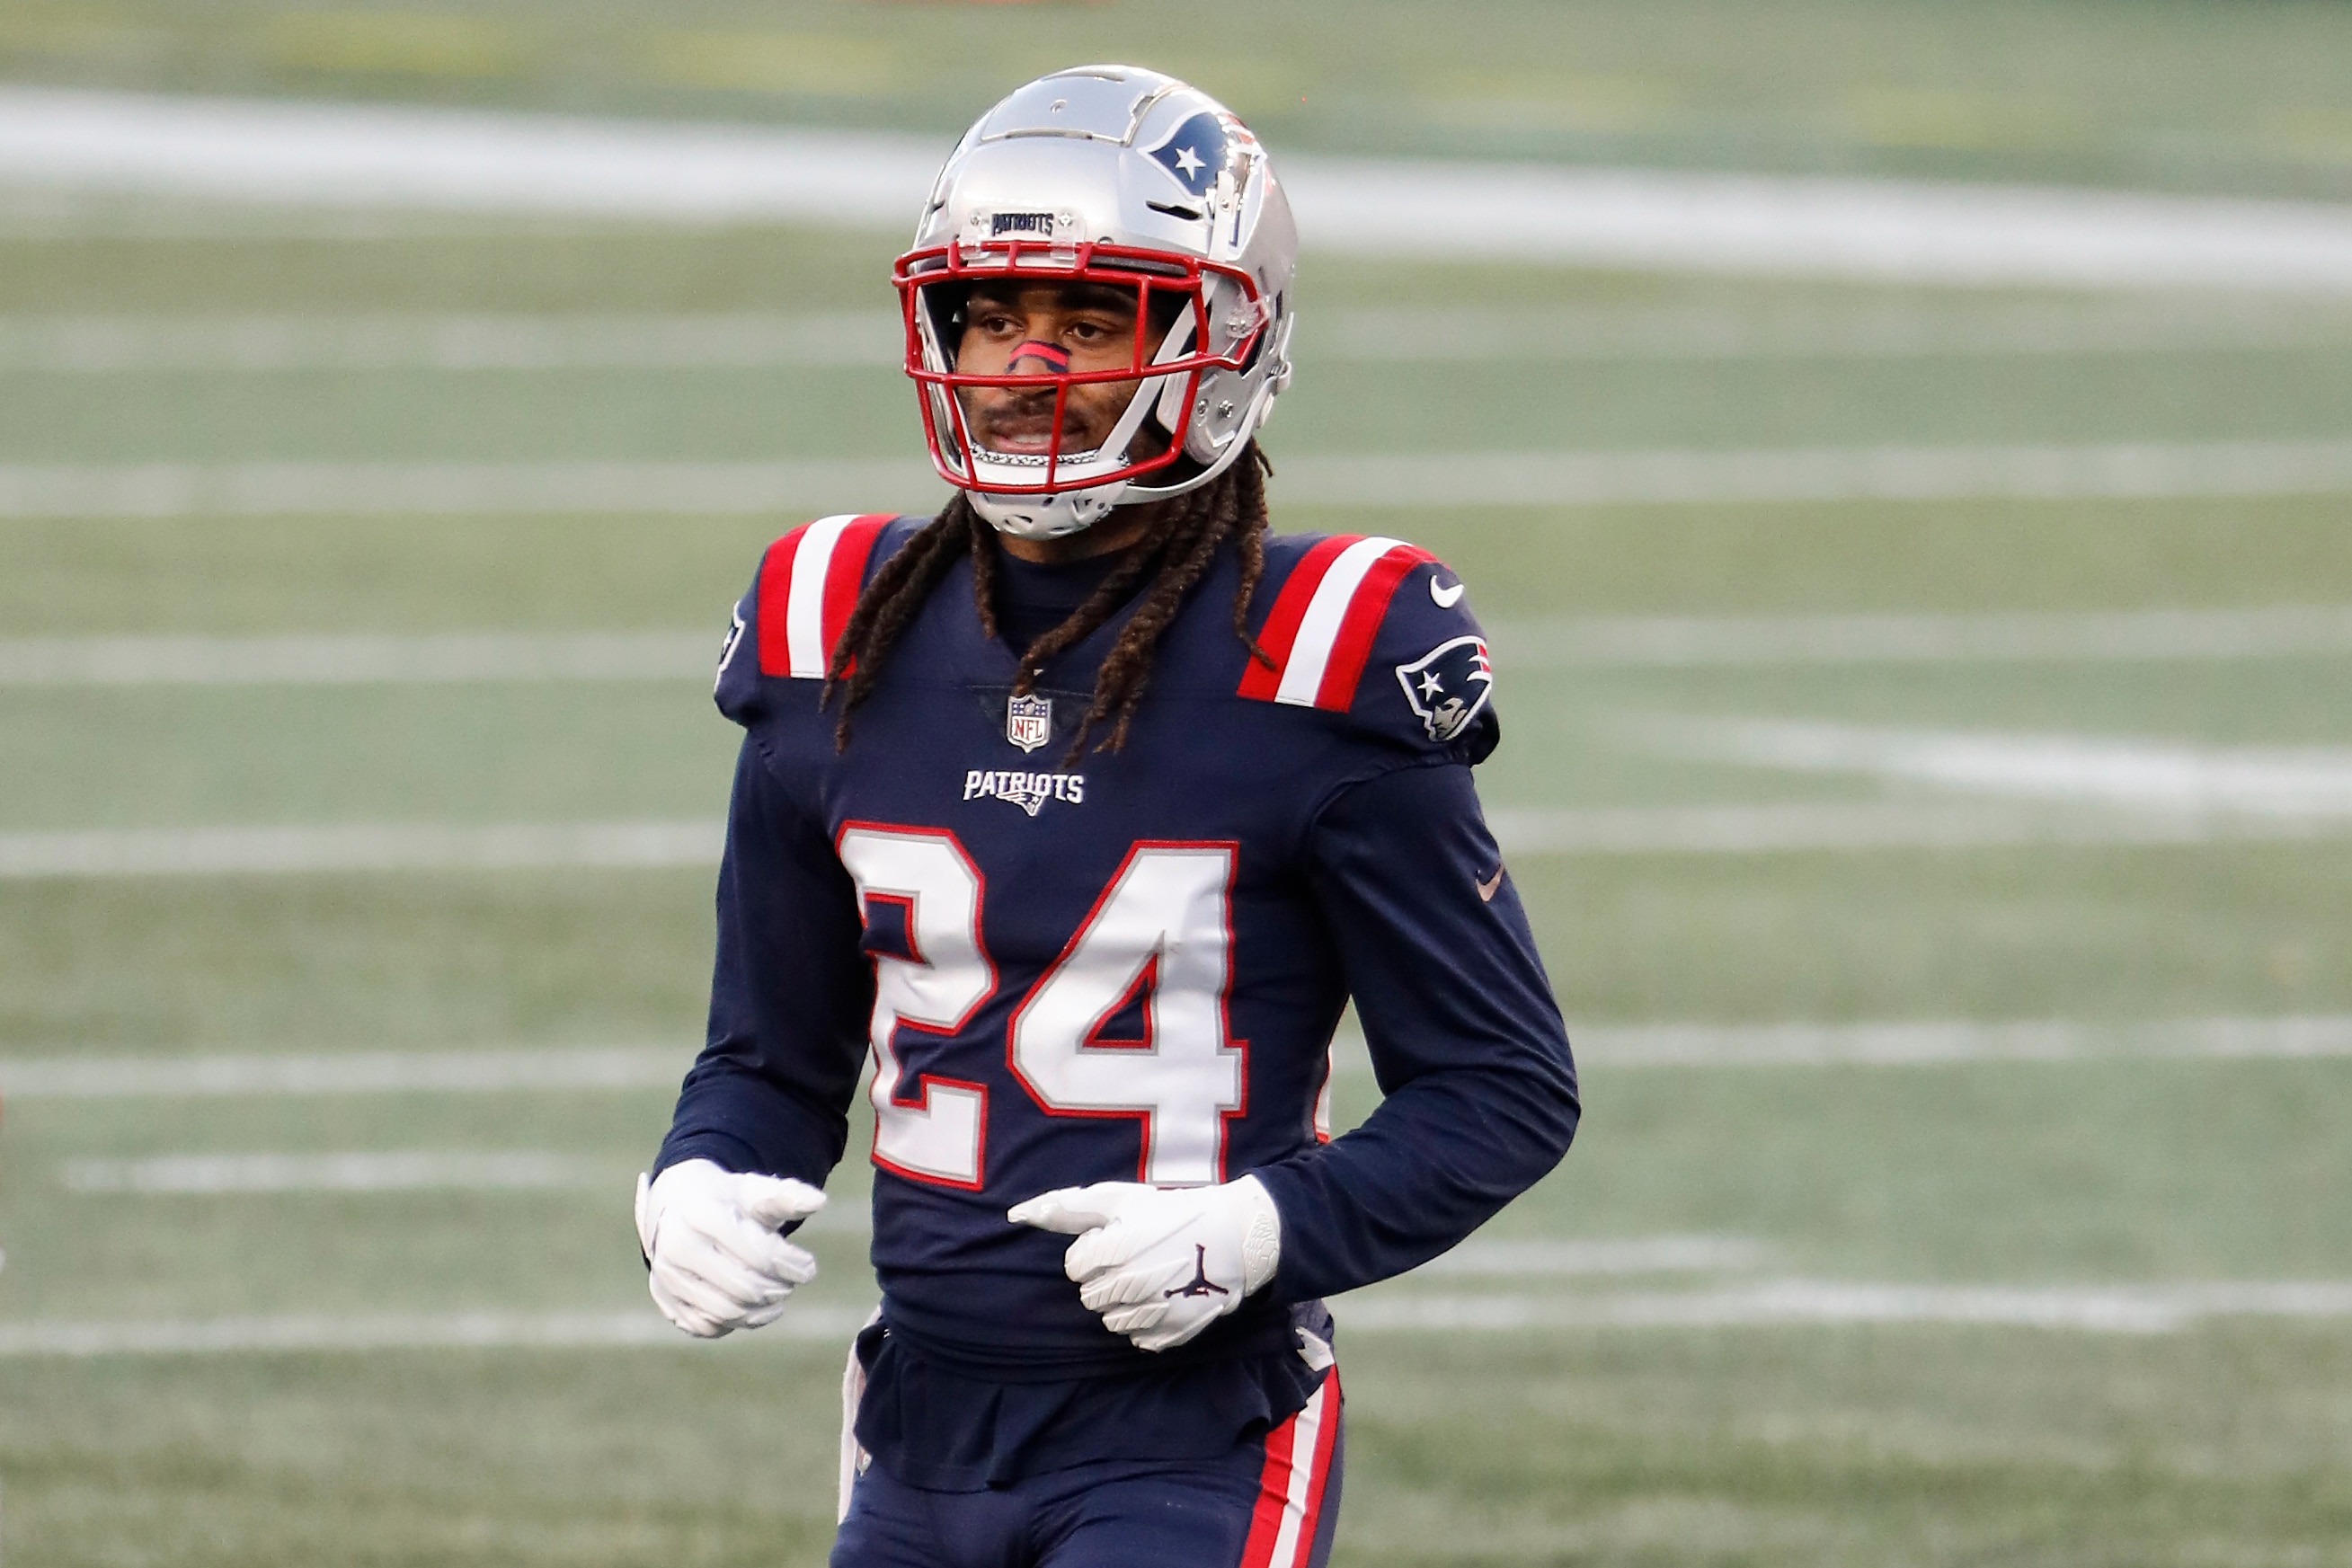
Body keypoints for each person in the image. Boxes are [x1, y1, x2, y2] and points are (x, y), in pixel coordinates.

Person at [635, 63, 1579, 1568]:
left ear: (1222, 337)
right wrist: (691, 1172)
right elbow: (769, 1053)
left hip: (1193, 1430)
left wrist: (1264, 1229)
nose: (1026, 363)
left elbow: (1502, 1088)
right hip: (917, 1422)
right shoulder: (833, 627)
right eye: (993, 316)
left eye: (1091, 319)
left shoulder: (1324, 647)